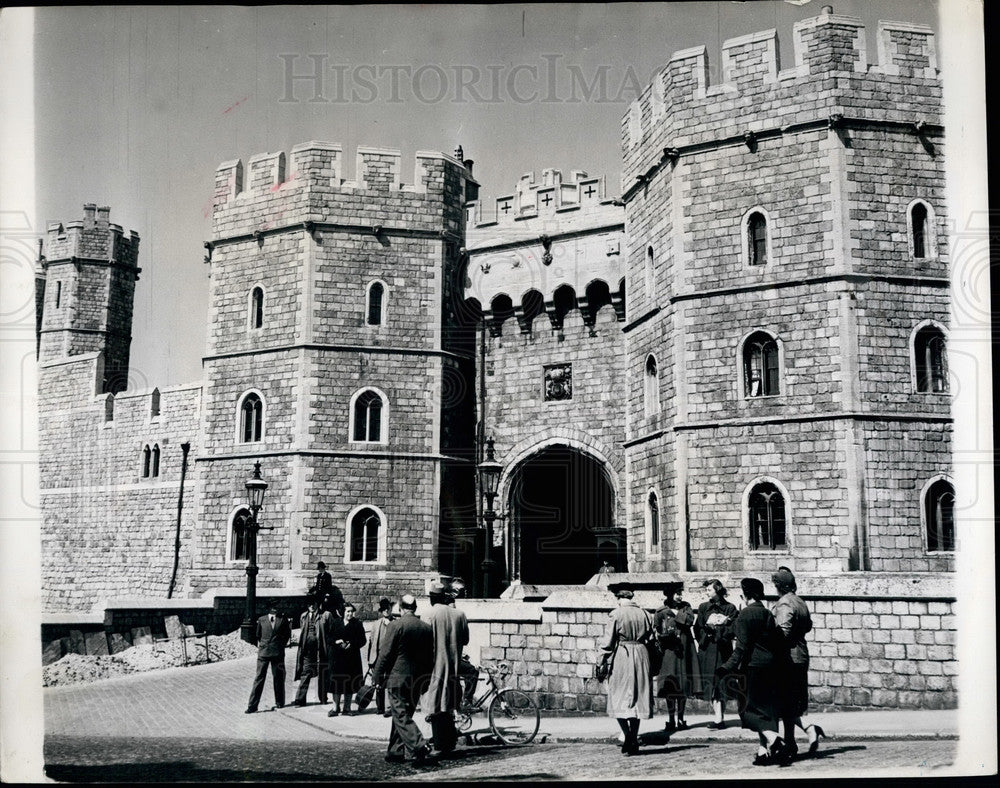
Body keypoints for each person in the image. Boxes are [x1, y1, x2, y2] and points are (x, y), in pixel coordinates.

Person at [716, 578, 789, 766]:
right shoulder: (767, 613)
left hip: (752, 668)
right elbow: (777, 641)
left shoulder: (745, 615)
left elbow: (741, 649)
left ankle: (775, 740)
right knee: (766, 711)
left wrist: (725, 668)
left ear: (745, 595)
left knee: (747, 711)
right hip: (771, 667)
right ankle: (763, 752)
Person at [372, 593, 436, 766]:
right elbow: (430, 658)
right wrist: (426, 680)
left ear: (400, 608)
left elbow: (385, 654)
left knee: (400, 715)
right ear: (415, 608)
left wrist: (376, 676)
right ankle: (395, 751)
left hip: (398, 678)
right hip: (418, 679)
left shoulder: (396, 625)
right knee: (403, 714)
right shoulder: (426, 628)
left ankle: (419, 744)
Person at [772, 566, 825, 758]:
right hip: (801, 654)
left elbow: (783, 632)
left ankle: (809, 729)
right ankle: (790, 743)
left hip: (788, 658)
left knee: (784, 701)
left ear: (779, 586)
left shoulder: (784, 603)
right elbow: (808, 626)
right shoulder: (800, 602)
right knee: (790, 702)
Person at [598, 582, 654, 756]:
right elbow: (652, 638)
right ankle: (633, 736)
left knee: (618, 695)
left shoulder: (616, 614)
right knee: (638, 696)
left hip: (623, 654)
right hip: (642, 654)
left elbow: (608, 643)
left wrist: (600, 661)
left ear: (619, 597)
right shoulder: (645, 614)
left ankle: (628, 735)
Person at [422, 580, 470, 755]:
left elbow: (424, 644)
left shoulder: (428, 615)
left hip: (435, 668)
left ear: (432, 598)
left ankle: (441, 742)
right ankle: (449, 742)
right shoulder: (459, 615)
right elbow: (465, 640)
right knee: (450, 703)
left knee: (436, 704)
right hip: (454, 667)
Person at [653, 581, 699, 732]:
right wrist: (663, 635)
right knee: (670, 684)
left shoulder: (686, 607)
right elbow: (657, 630)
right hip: (669, 651)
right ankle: (671, 719)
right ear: (670, 594)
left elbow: (689, 621)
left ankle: (681, 718)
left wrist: (675, 612)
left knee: (683, 683)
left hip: (685, 649)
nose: (680, 596)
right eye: (677, 593)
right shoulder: (661, 611)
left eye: (681, 593)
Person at [694, 579, 738, 729]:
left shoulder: (730, 608)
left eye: (709, 590)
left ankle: (719, 718)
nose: (707, 592)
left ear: (718, 590)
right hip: (708, 650)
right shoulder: (703, 607)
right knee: (710, 684)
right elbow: (697, 628)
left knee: (721, 684)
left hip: (723, 651)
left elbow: (733, 629)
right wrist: (707, 632)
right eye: (706, 590)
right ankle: (718, 717)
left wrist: (720, 630)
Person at [245, 605, 291, 713]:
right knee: (259, 678)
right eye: (272, 606)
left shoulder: (283, 620)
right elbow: (258, 635)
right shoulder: (262, 620)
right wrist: (264, 645)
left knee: (278, 678)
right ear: (268, 608)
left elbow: (287, 634)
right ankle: (252, 706)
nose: (275, 609)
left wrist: (280, 645)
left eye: (276, 606)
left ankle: (279, 701)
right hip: (264, 653)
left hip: (277, 653)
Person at [327, 602, 367, 716]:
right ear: (343, 612)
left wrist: (352, 643)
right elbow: (329, 638)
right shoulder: (335, 623)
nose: (350, 614)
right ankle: (335, 708)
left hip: (351, 659)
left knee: (349, 683)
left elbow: (363, 640)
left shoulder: (357, 624)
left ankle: (347, 708)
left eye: (351, 611)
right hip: (337, 659)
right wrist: (337, 641)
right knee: (336, 683)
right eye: (348, 611)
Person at [293, 597, 333, 706]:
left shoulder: (326, 615)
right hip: (307, 651)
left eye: (313, 603)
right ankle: (300, 699)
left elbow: (331, 632)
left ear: (317, 604)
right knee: (305, 673)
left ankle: (323, 698)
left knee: (322, 674)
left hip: (321, 649)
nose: (311, 606)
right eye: (309, 604)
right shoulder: (303, 616)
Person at [367, 597, 395, 717]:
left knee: (390, 682)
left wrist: (390, 626)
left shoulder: (395, 623)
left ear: (390, 609)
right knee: (378, 683)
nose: (386, 611)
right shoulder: (376, 624)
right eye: (383, 609)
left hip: (391, 657)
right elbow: (371, 643)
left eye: (387, 608)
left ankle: (391, 708)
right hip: (378, 657)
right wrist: (370, 661)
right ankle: (380, 707)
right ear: (381, 611)